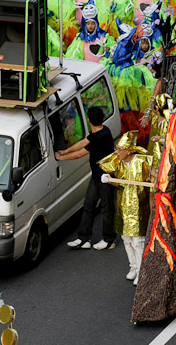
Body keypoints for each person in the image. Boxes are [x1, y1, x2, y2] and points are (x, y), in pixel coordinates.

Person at [57, 107, 116, 250]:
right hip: (96, 176)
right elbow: (84, 141)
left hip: (106, 178)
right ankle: (84, 239)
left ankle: (109, 240)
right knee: (88, 206)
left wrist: (61, 157)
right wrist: (66, 150)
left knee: (106, 209)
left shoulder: (101, 137)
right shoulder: (102, 130)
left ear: (89, 120)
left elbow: (80, 154)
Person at [99, 131, 154, 285]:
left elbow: (155, 177)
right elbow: (121, 183)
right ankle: (134, 267)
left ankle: (142, 272)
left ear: (128, 150)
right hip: (123, 205)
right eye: (116, 148)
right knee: (126, 239)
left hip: (139, 208)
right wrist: (110, 180)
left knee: (138, 241)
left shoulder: (144, 161)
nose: (116, 152)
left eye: (119, 149)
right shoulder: (119, 163)